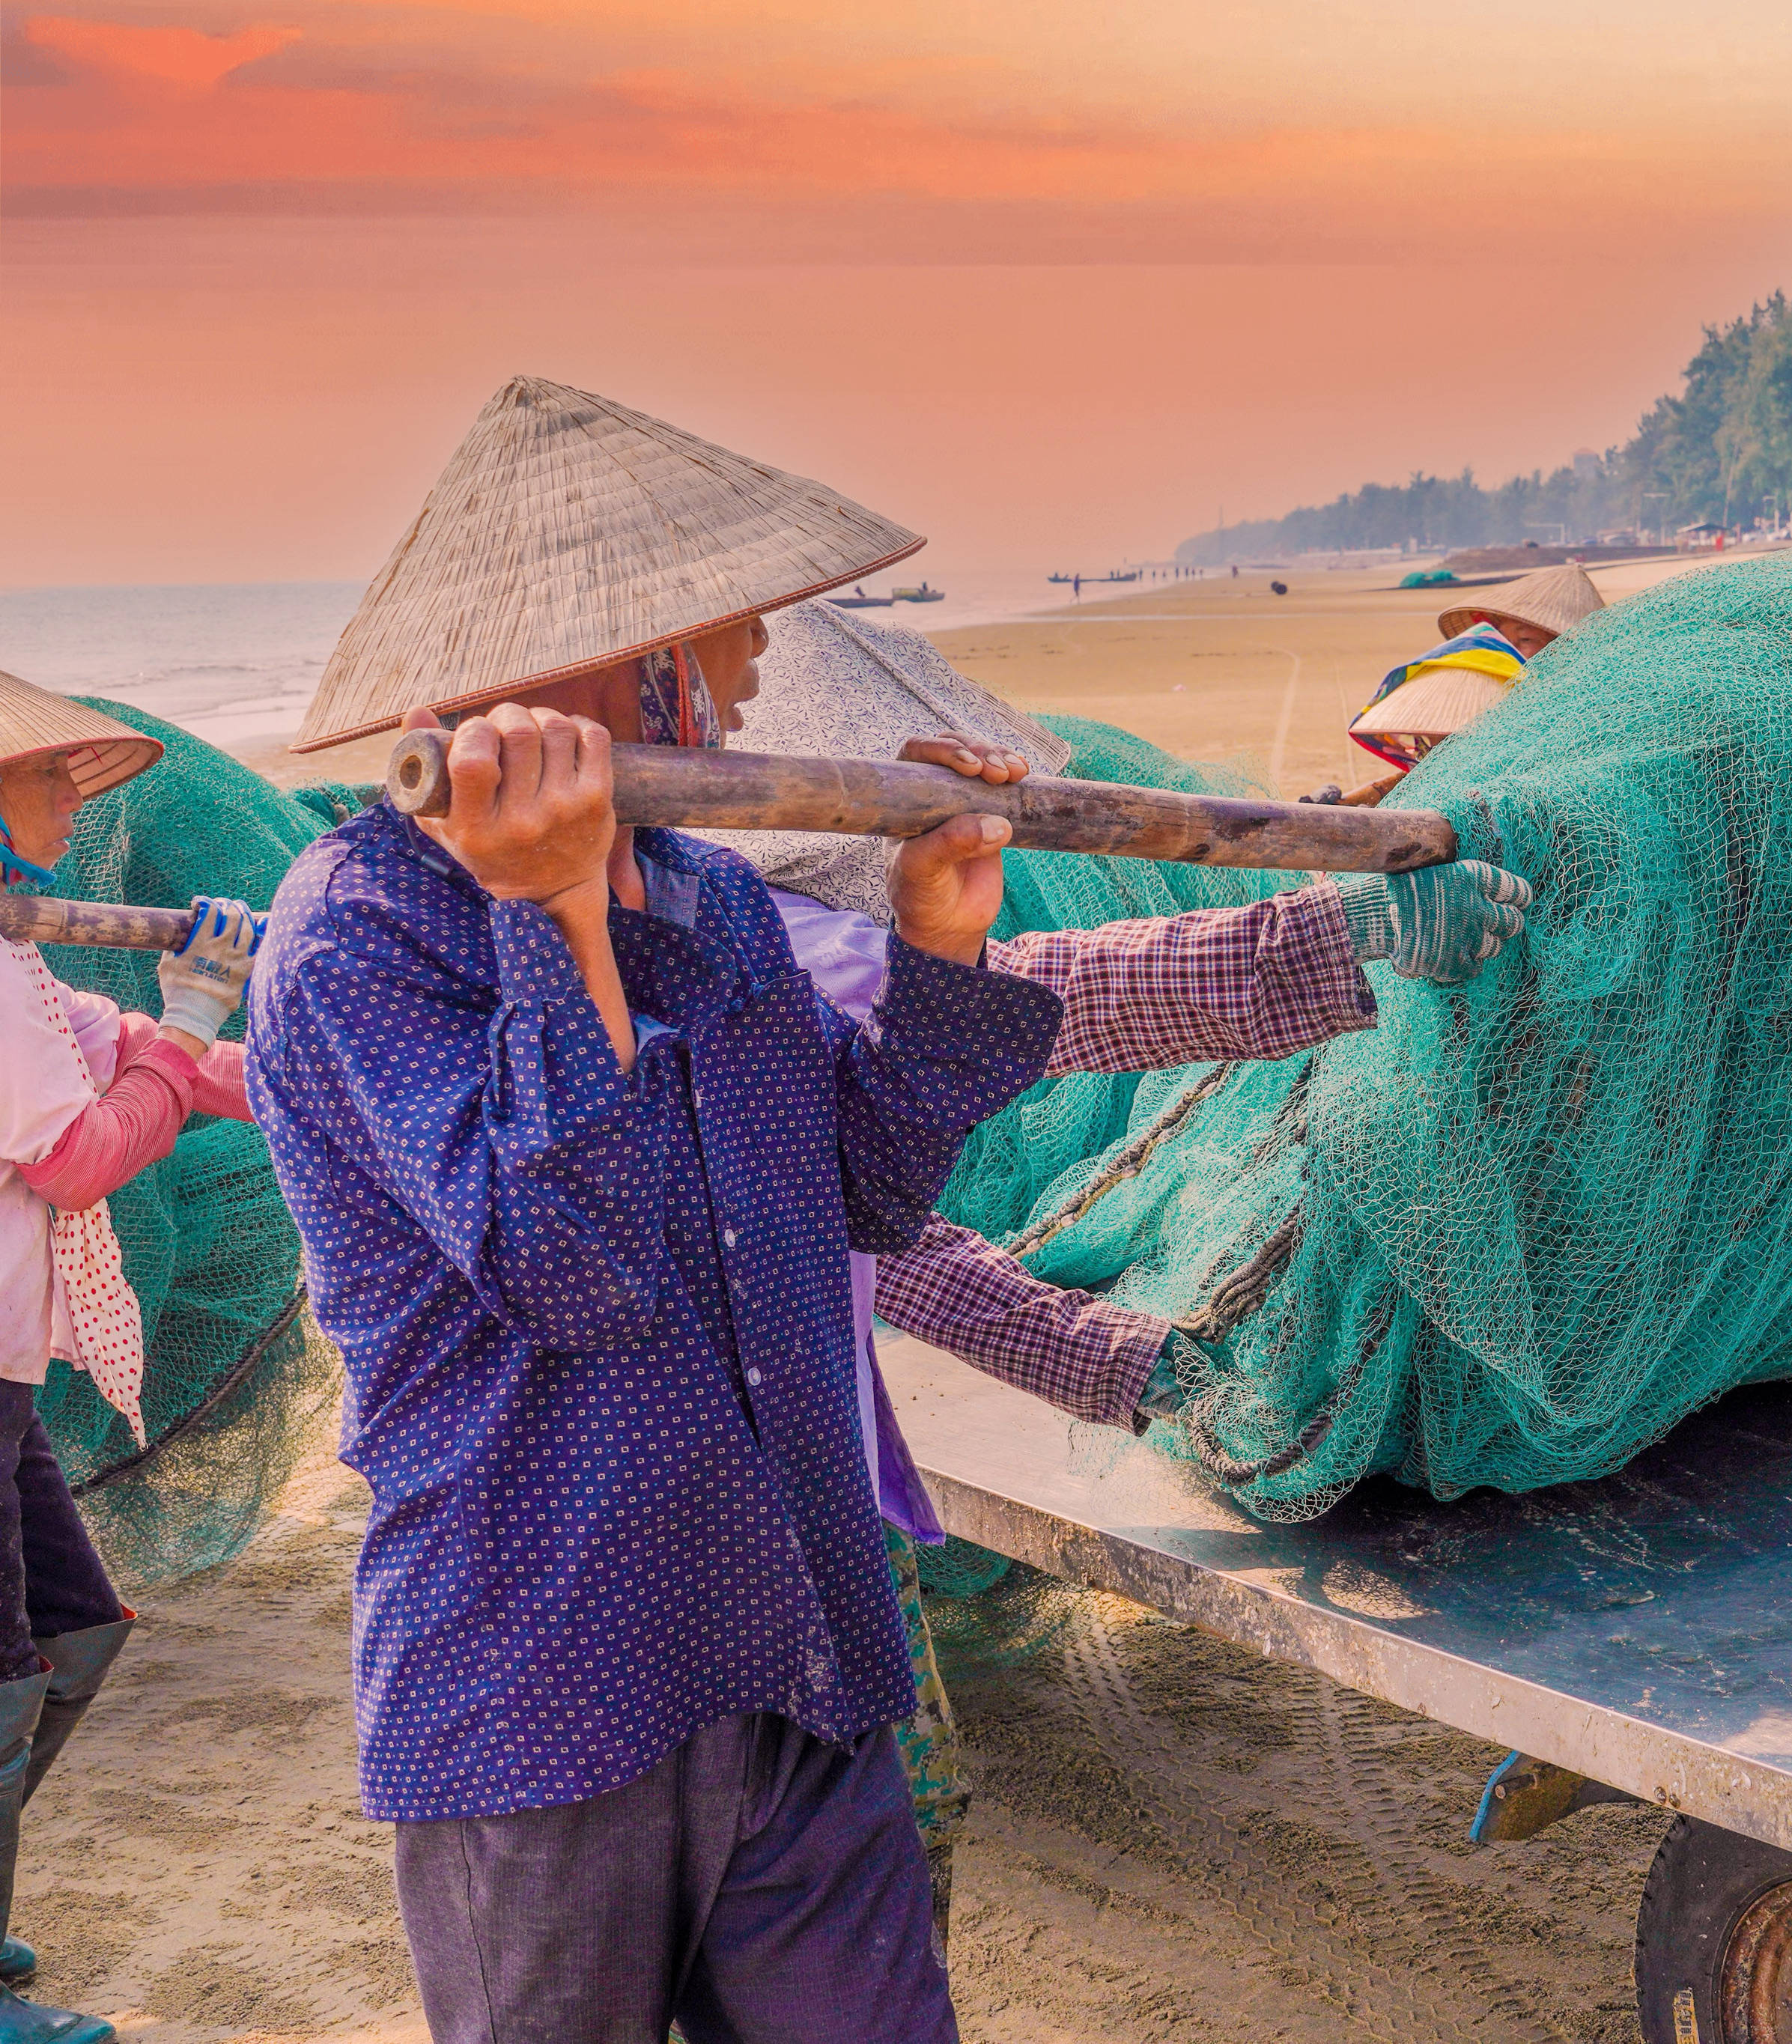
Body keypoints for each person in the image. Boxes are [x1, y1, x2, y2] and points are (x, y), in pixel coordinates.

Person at [245, 375, 1529, 2043]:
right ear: (611, 667)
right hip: (544, 1683)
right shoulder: (354, 939)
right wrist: (551, 915)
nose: (754, 669)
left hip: (796, 1640)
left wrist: (937, 943)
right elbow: (573, 1264)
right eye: (718, 636)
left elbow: (855, 1186)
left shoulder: (709, 895)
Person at [710, 597, 1529, 1938]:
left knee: (876, 1865)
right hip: (704, 1561)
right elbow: (1059, 1004)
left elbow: (878, 1239)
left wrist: (1121, 1363)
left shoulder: (771, 963)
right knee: (825, 1895)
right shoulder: (759, 956)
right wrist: (1343, 938)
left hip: (820, 1524)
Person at [0, 672, 266, 2044]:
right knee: (4, 1661)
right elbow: (79, 1153)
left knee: (76, 1629)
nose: (70, 797)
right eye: (46, 773)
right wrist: (195, 1023)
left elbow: (159, 1059)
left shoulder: (29, 959)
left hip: (7, 1386)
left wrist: (296, 1034)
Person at [1316, 563, 1606, 805]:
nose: (1511, 650)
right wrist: (1346, 806)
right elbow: (1432, 770)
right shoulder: (1476, 685)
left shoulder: (1584, 713)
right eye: (1508, 639)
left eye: (1528, 640)